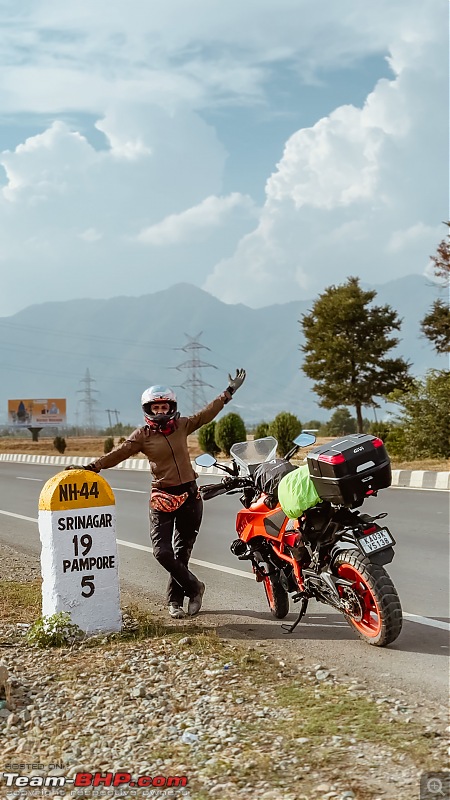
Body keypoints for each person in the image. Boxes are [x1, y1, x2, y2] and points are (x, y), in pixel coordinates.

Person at [77, 369, 246, 619]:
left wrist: (228, 392)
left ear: (172, 407)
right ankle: (195, 587)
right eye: (155, 408)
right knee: (162, 552)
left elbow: (206, 414)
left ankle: (175, 602)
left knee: (182, 553)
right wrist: (94, 467)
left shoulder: (182, 425)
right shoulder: (142, 436)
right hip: (162, 497)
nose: (160, 411)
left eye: (164, 406)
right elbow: (120, 452)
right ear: (148, 410)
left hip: (189, 495)